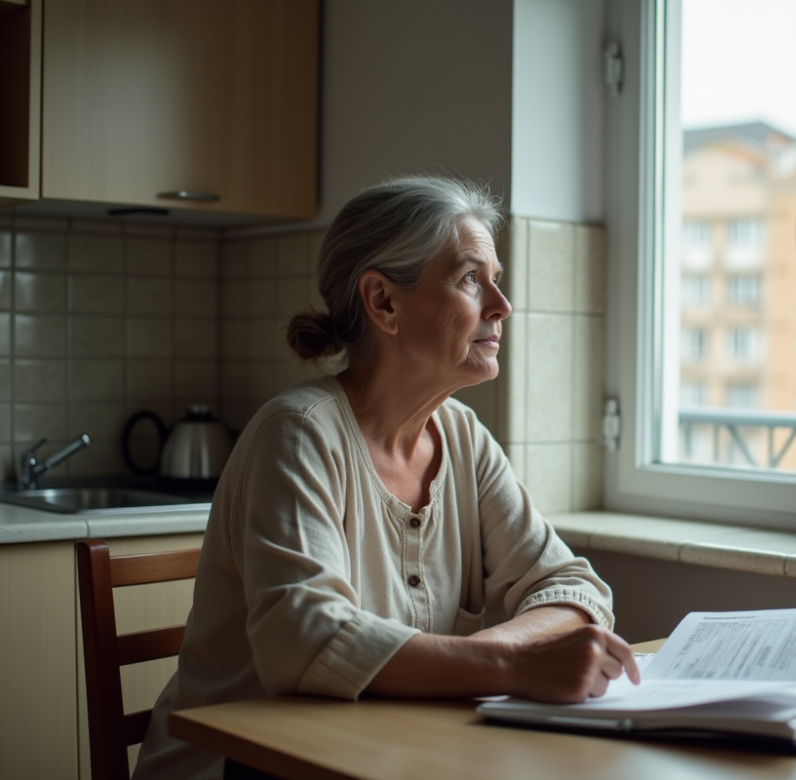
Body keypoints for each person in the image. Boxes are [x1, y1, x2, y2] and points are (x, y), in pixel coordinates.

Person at [133, 176, 639, 780]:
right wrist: (513, 667)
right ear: (383, 302)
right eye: (471, 279)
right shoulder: (297, 433)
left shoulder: (463, 436)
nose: (502, 306)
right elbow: (306, 642)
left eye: (495, 279)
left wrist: (476, 660)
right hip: (237, 770)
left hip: (381, 755)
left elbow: (575, 589)